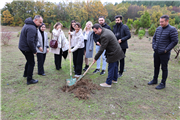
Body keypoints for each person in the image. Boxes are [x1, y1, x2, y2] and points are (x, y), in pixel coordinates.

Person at [148, 15, 178, 89]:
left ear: (167, 21)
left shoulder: (172, 29)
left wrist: (166, 49)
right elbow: (154, 38)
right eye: (160, 21)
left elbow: (175, 41)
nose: (160, 23)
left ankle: (163, 83)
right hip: (157, 52)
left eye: (162, 22)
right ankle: (155, 80)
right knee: (156, 66)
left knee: (164, 68)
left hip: (164, 53)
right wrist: (154, 47)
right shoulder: (158, 29)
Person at [18, 15, 43, 85]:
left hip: (23, 47)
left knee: (29, 61)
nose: (40, 24)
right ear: (35, 20)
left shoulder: (28, 24)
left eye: (41, 23)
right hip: (26, 48)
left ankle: (25, 74)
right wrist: (34, 50)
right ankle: (29, 79)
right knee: (31, 63)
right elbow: (30, 41)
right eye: (40, 22)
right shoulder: (32, 28)